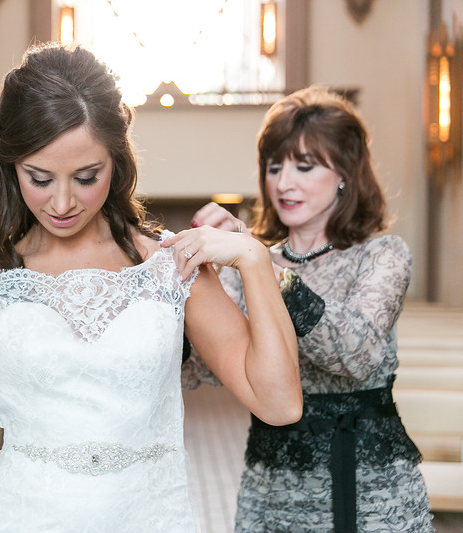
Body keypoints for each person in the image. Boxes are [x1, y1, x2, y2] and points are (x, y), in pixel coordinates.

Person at [0, 43, 302, 533]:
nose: (62, 202)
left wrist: (255, 261)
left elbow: (278, 403)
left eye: (86, 177)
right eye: (39, 177)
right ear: (11, 167)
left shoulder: (172, 266)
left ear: (117, 160)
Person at [184, 85, 434, 532]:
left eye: (304, 166)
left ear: (345, 173)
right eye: (274, 167)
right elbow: (198, 369)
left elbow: (356, 354)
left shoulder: (381, 255)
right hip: (272, 485)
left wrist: (264, 269)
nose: (283, 183)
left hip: (371, 490)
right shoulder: (249, 261)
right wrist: (190, 280)